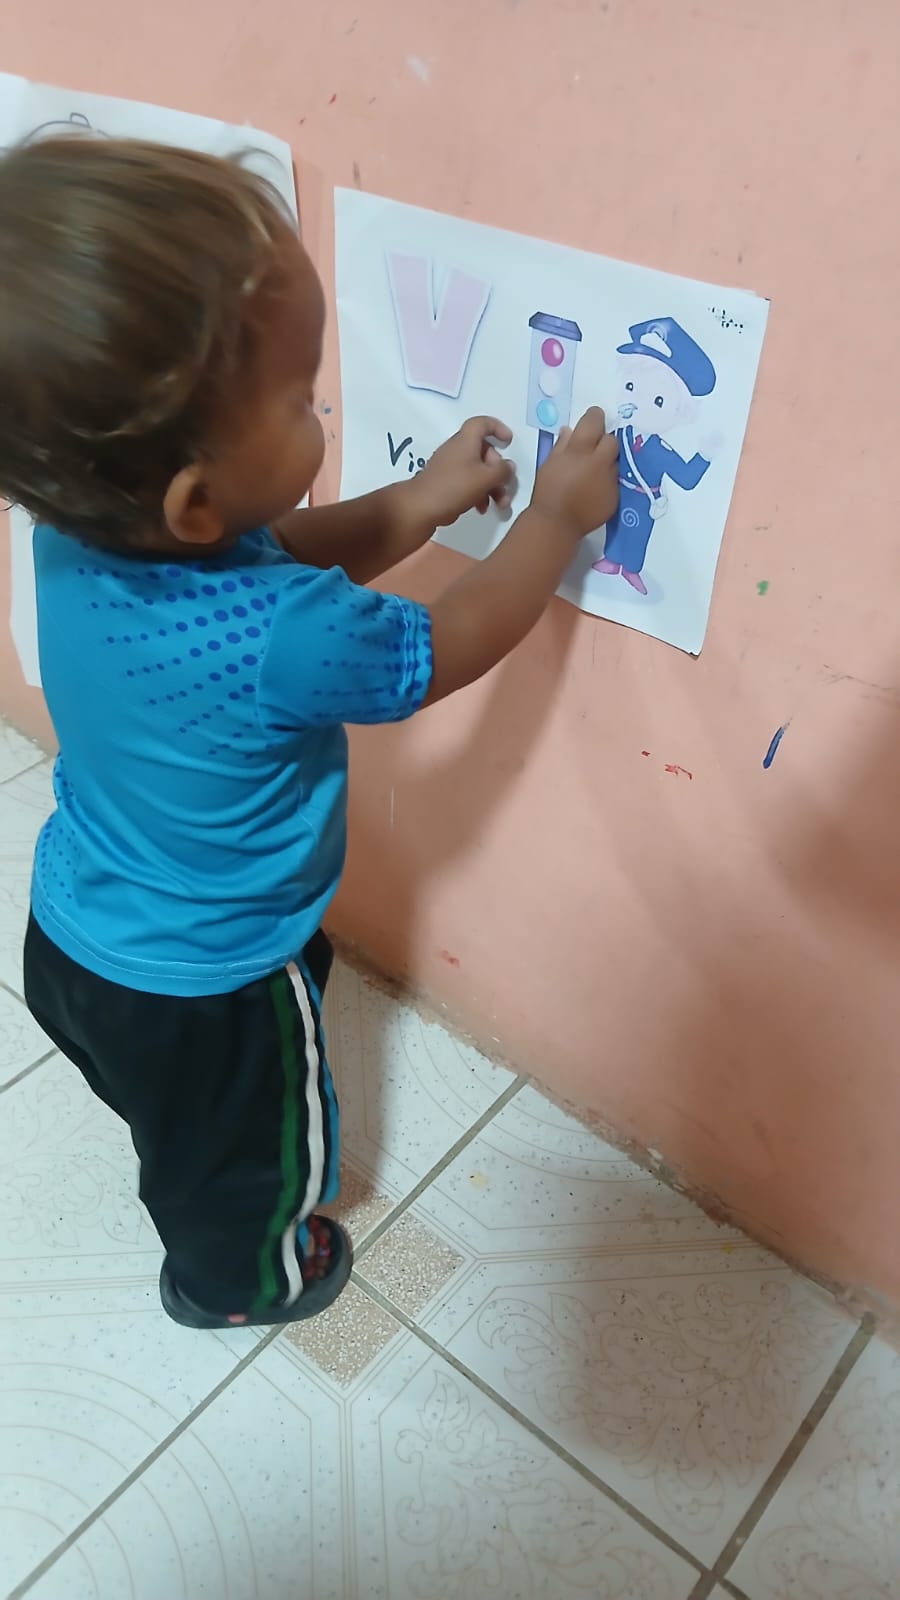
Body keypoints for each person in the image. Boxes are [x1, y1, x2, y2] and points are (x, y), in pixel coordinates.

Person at [0, 136, 619, 1331]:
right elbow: (449, 639)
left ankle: (193, 1161)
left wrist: (422, 499)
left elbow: (269, 547)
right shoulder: (289, 633)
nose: (321, 409)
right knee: (245, 1166)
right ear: (191, 497)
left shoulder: (76, 533)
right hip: (216, 985)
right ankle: (238, 1286)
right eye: (298, 401)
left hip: (73, 934)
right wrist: (552, 521)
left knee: (173, 1117)